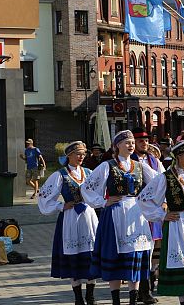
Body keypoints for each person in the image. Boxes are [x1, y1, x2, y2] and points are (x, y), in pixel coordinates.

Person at [81, 130, 157, 305]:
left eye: (132, 142)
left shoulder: (139, 166)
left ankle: (132, 299)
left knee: (135, 256)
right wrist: (102, 201)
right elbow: (87, 187)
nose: (131, 145)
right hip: (115, 215)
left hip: (136, 215)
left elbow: (157, 183)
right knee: (115, 256)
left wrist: (150, 202)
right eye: (127, 143)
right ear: (117, 146)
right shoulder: (107, 165)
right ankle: (116, 300)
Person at [138, 140, 184, 305]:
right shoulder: (166, 177)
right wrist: (162, 215)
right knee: (182, 262)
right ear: (178, 156)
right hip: (177, 225)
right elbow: (143, 199)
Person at [38, 141, 99, 305]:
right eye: (78, 154)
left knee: (90, 255)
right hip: (71, 218)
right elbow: (43, 196)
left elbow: (100, 191)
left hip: (88, 217)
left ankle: (91, 296)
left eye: (83, 154)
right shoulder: (60, 175)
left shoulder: (89, 172)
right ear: (69, 156)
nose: (81, 157)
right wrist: (60, 205)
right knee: (74, 256)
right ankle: (78, 297)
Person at [130, 127, 164, 304]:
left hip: (152, 208)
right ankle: (142, 290)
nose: (145, 143)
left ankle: (150, 286)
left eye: (146, 140)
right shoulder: (130, 161)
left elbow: (163, 179)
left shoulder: (154, 160)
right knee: (141, 249)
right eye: (141, 141)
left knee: (153, 249)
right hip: (135, 210)